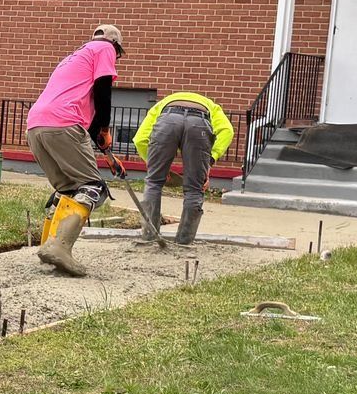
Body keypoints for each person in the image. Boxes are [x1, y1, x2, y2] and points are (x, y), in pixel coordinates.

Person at [26, 24, 124, 276]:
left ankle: (48, 249)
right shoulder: (104, 48)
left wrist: (107, 152)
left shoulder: (74, 58)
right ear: (114, 44)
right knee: (93, 187)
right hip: (63, 123)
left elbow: (88, 127)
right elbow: (104, 90)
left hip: (37, 125)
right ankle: (59, 248)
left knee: (68, 190)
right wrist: (105, 127)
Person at [132, 90, 235, 244]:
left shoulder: (161, 105)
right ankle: (184, 242)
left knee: (154, 182)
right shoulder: (212, 107)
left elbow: (140, 139)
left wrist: (154, 165)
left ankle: (149, 237)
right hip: (199, 123)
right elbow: (228, 131)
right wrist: (209, 161)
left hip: (167, 120)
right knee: (194, 188)